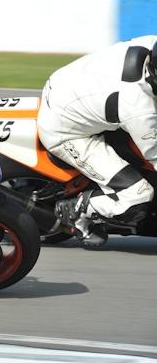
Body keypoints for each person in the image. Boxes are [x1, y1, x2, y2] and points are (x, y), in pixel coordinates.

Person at [38, 35, 157, 246]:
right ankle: (77, 210)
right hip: (67, 132)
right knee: (137, 196)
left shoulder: (150, 44)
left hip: (66, 88)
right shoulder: (139, 110)